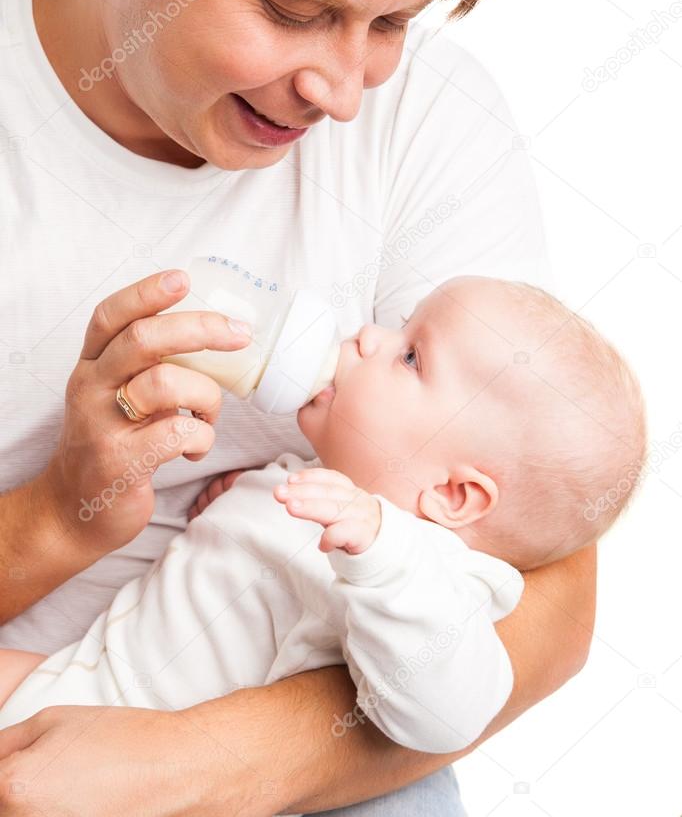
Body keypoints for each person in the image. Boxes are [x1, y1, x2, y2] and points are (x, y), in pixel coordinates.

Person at [0, 0, 597, 814]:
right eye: (291, 7)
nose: (342, 92)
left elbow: (548, 593)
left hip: (302, 733)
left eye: (391, 22)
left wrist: (207, 765)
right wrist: (64, 512)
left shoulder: (425, 122)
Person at [0, 277, 646, 780]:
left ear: (454, 495)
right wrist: (239, 498)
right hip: (86, 672)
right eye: (398, 328)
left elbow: (449, 715)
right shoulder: (326, 479)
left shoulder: (434, 574)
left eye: (412, 356)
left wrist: (386, 558)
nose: (368, 336)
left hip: (152, 759)